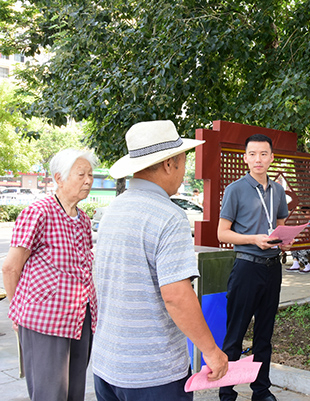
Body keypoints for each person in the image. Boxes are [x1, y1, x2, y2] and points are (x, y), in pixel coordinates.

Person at [92, 120, 228, 401]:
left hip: (106, 365)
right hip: (153, 372)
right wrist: (211, 351)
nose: (184, 171)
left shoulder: (112, 210)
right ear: (169, 164)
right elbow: (176, 296)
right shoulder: (169, 216)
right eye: (183, 162)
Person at [2, 148, 98, 401]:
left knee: (75, 392)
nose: (88, 180)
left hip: (80, 318)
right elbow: (11, 267)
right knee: (50, 395)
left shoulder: (83, 219)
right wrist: (17, 311)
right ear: (59, 178)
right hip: (45, 320)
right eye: (81, 174)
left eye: (90, 174)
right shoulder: (39, 212)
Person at [217, 134, 289, 401]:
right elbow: (222, 234)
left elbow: (280, 224)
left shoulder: (278, 191)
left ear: (271, 158)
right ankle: (227, 393)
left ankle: (261, 390)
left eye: (264, 154)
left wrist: (284, 240)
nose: (258, 159)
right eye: (253, 154)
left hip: (272, 268)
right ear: (245, 158)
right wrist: (253, 239)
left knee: (264, 334)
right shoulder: (235, 189)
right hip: (247, 267)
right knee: (235, 333)